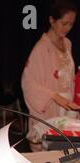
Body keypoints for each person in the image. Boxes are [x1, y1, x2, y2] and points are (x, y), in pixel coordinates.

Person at [22, 0, 80, 150]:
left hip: (67, 108)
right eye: (64, 23)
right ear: (52, 20)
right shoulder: (41, 48)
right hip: (51, 107)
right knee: (49, 155)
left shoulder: (67, 43)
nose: (68, 28)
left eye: (71, 24)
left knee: (68, 154)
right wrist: (54, 96)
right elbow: (28, 82)